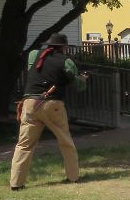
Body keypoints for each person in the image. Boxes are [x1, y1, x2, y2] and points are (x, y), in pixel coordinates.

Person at [9, 33, 88, 190]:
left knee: (24, 145)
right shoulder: (66, 61)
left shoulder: (33, 54)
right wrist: (83, 79)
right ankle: (73, 177)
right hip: (53, 104)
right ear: (63, 47)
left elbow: (37, 69)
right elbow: (78, 86)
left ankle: (16, 183)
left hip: (30, 103)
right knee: (65, 141)